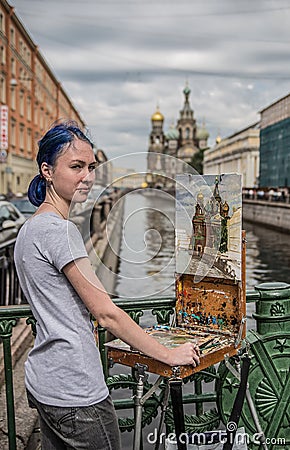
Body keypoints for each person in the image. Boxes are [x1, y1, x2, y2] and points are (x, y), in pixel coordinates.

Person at [14, 120, 200, 450]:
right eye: (75, 167)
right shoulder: (61, 232)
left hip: (43, 382)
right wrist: (168, 355)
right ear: (47, 170)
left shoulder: (29, 230)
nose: (88, 176)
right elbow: (107, 315)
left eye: (91, 167)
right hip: (76, 390)